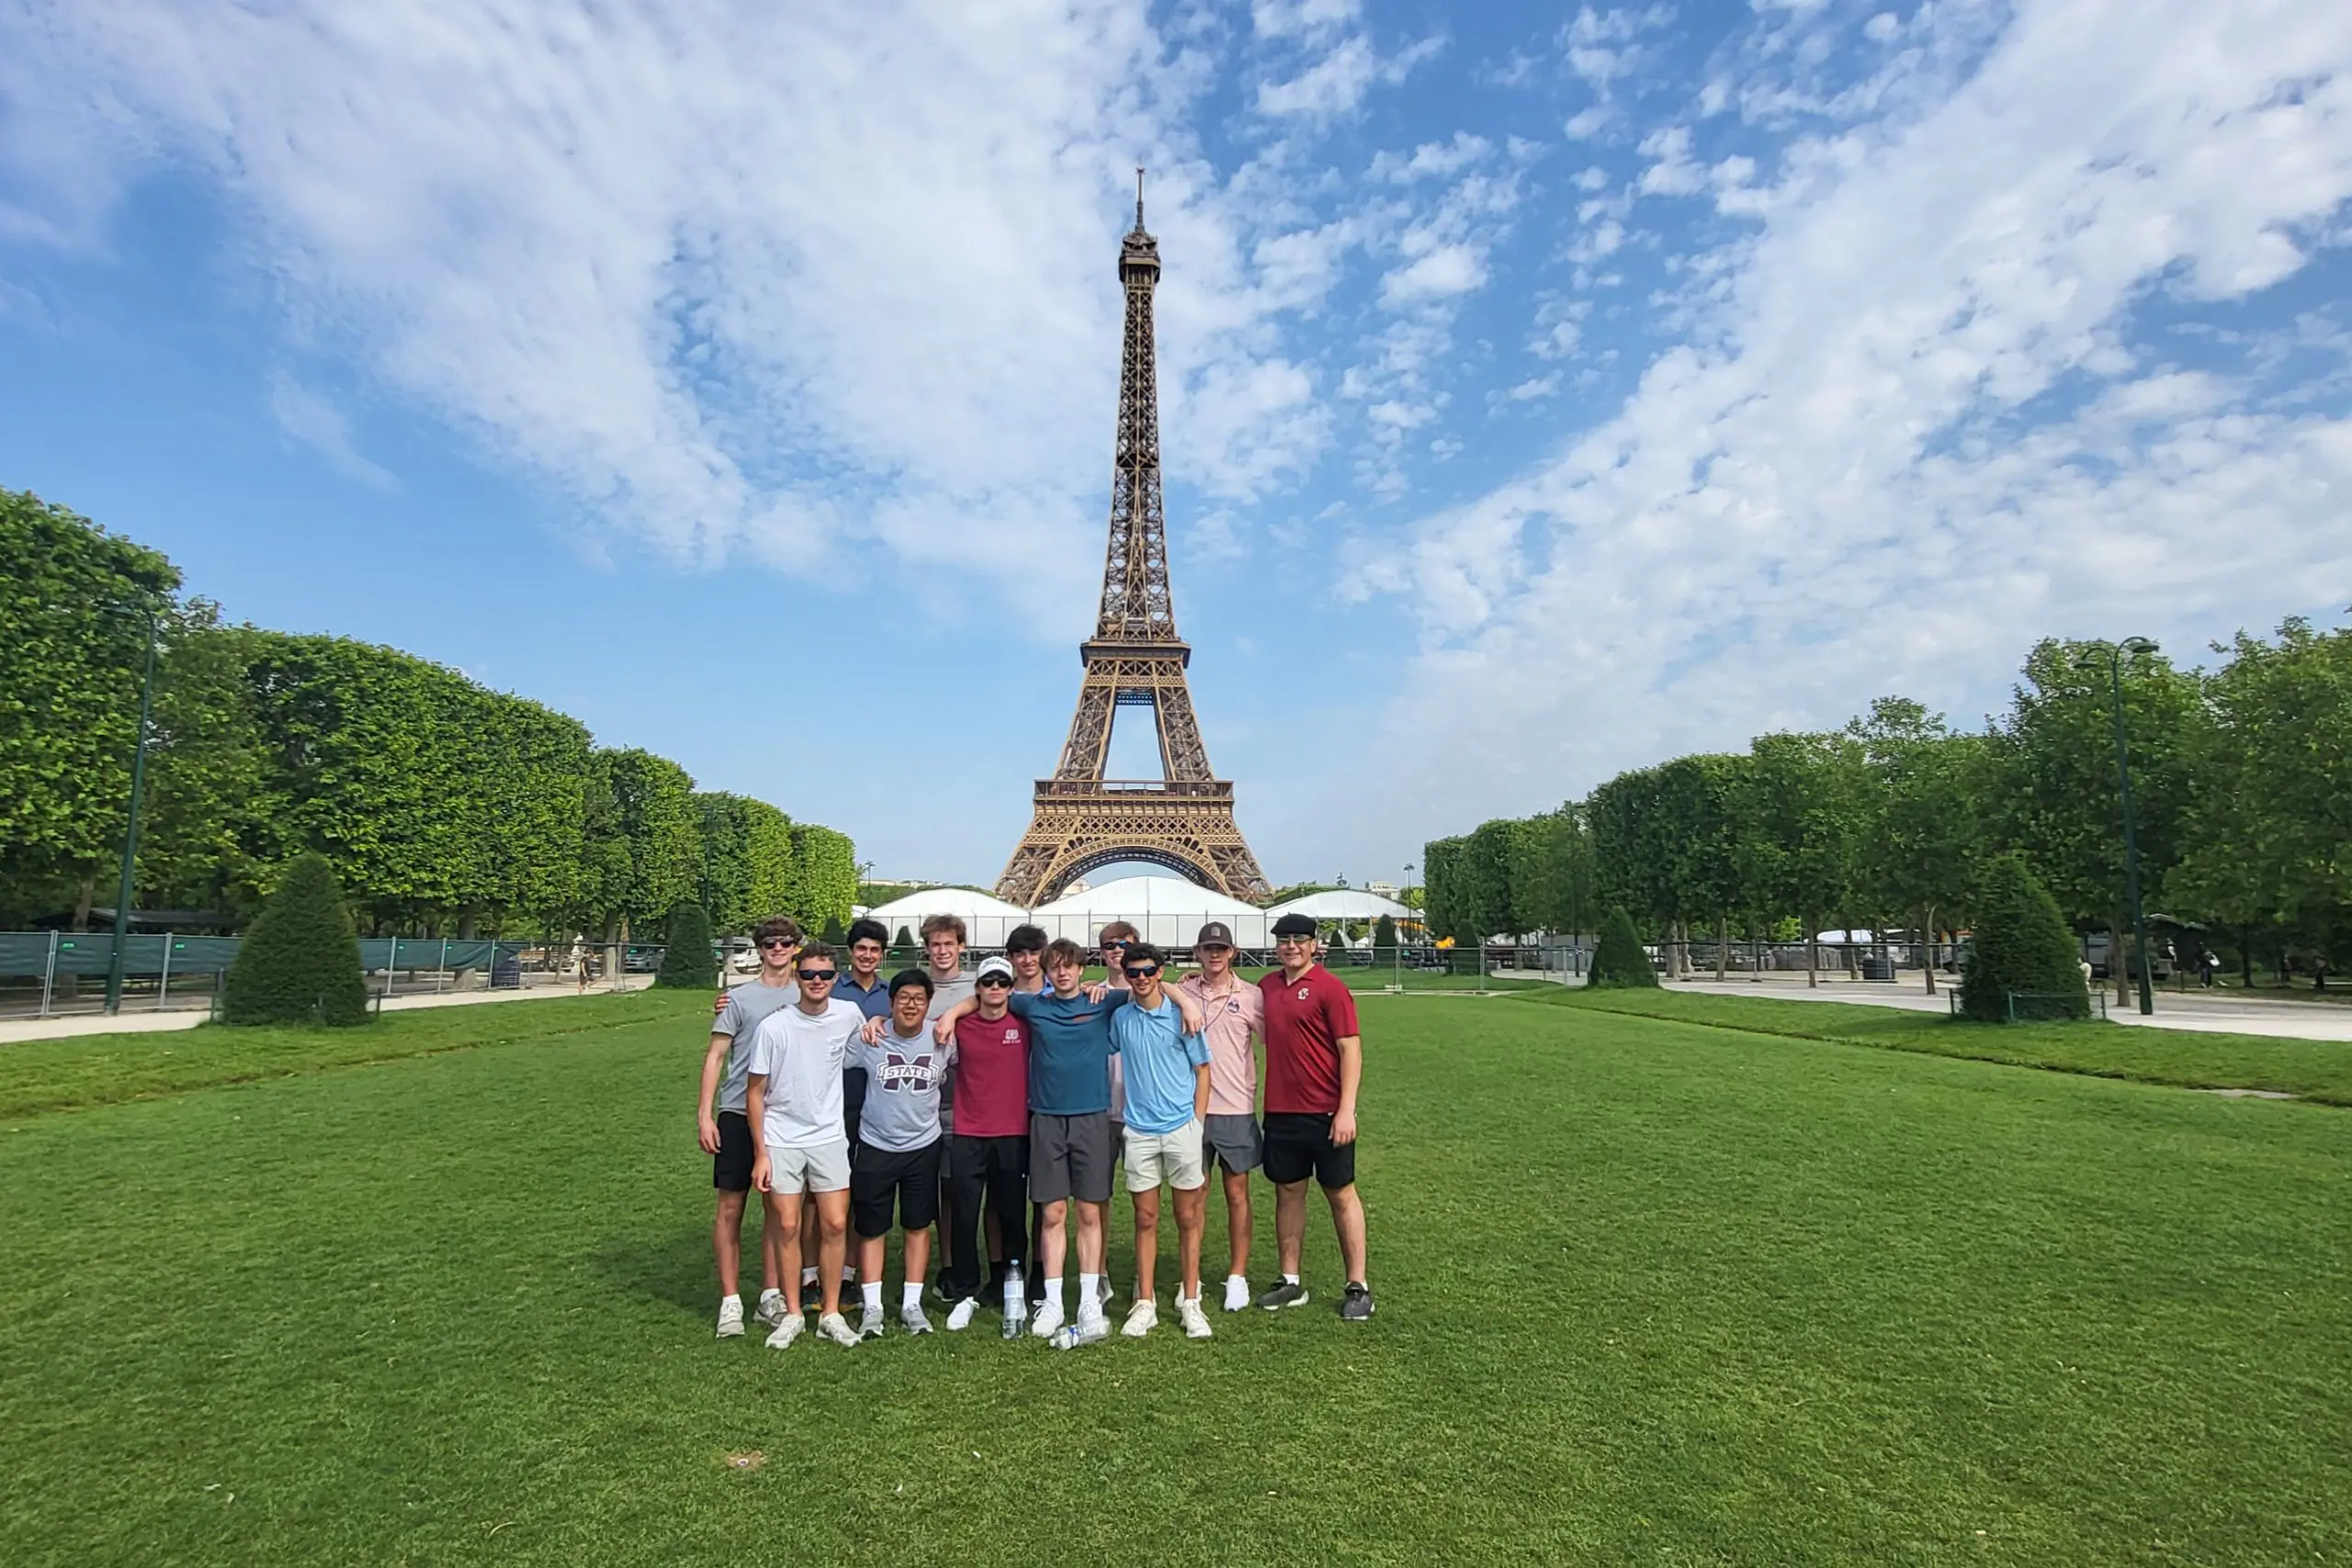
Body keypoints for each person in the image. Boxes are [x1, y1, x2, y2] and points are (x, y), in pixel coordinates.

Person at [933, 938, 1200, 1347]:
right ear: (1047, 972)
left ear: (1080, 969)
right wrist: (952, 1013)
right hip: (1046, 1120)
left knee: (1090, 1213)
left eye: (1068, 966)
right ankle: (1053, 1301)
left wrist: (1187, 1002)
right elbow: (984, 996)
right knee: (1053, 1212)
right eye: (1054, 967)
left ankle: (1089, 1300)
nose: (1061, 973)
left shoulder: (1103, 1001)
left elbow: (1147, 984)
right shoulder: (1033, 1005)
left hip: (1091, 1118)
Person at [744, 942, 866, 1348]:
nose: (817, 981)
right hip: (782, 1139)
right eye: (809, 974)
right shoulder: (774, 1027)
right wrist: (761, 1153)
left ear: (836, 978)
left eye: (825, 975)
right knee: (788, 1225)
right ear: (797, 977)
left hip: (828, 1136)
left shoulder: (848, 1014)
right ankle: (793, 1312)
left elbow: (865, 1045)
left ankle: (830, 1312)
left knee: (835, 1224)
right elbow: (755, 1093)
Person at [1255, 913, 1374, 1322]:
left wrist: (1346, 1109)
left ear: (1314, 944)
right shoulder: (1267, 986)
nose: (1291, 946)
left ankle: (1357, 1286)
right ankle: (1290, 1280)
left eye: (1299, 939)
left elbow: (1350, 1049)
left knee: (1341, 1193)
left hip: (1325, 1111)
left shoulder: (1330, 988)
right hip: (1281, 1110)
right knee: (1288, 1193)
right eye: (1284, 939)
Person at [697, 915, 799, 1338]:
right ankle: (730, 1300)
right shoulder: (738, 999)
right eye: (770, 943)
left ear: (796, 947)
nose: (778, 949)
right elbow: (716, 1056)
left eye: (785, 942)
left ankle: (770, 1295)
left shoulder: (809, 992)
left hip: (783, 1116)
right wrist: (705, 1114)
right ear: (759, 950)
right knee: (731, 1207)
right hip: (738, 1112)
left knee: (778, 1210)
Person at [1109, 942, 1214, 1339]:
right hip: (1139, 1130)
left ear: (1160, 972)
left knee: (1188, 1218)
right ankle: (1145, 1302)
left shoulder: (1181, 1015)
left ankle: (1191, 1301)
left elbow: (1203, 1070)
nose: (1141, 979)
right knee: (1145, 1218)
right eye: (1133, 972)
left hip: (1181, 1128)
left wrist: (1196, 1124)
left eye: (1148, 971)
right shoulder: (1121, 1017)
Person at [848, 971, 950, 1338]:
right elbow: (827, 1058)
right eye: (903, 998)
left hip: (923, 1145)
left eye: (919, 999)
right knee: (871, 1227)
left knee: (918, 1225)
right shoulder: (870, 1037)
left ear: (928, 1004)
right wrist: (873, 1021)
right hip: (876, 1143)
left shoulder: (943, 1037)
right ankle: (873, 1306)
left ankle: (912, 1304)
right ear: (891, 1002)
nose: (910, 1005)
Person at [1177, 919, 1268, 1312]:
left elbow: (1276, 1038)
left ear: (1232, 952)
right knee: (1194, 1196)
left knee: (1237, 1194)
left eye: (1221, 949)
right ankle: (1191, 1277)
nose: (1214, 955)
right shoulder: (1183, 991)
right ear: (1197, 953)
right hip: (1191, 1108)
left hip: (1235, 1107)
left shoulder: (1251, 996)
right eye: (1207, 949)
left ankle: (1237, 1276)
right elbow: (1147, 989)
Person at [944, 955, 1032, 1335]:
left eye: (1002, 982)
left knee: (1010, 1213)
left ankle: (1012, 1283)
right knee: (965, 1214)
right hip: (968, 1132)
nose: (995, 988)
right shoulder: (960, 1025)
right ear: (977, 988)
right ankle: (965, 1289)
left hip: (1012, 1132)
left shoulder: (1025, 1024)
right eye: (988, 982)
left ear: (1011, 988)